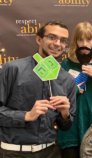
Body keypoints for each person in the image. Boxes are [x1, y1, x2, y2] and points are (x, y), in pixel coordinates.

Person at [0, 21, 76, 158]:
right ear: (39, 39)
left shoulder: (68, 79)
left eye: (63, 40)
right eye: (52, 37)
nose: (58, 44)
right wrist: (26, 115)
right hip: (14, 153)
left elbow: (66, 126)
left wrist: (65, 114)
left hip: (51, 152)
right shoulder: (12, 69)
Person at [57, 22, 92, 158]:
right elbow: (60, 95)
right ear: (75, 42)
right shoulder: (66, 64)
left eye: (88, 39)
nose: (85, 43)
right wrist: (74, 89)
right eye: (80, 39)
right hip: (71, 129)